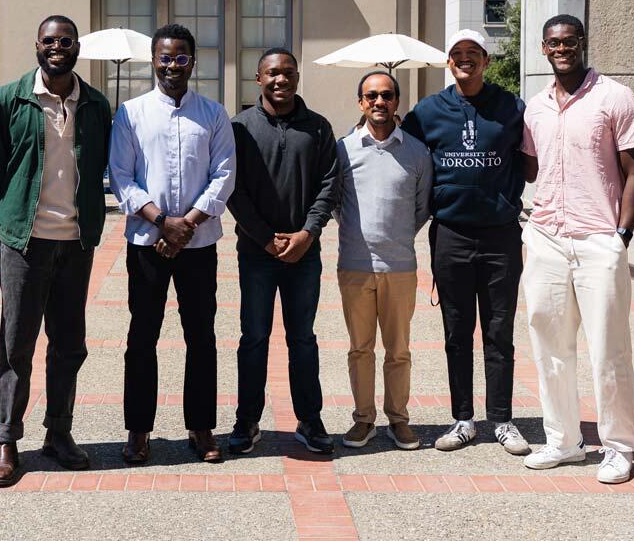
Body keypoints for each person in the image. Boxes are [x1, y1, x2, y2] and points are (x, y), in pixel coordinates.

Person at [0, 15, 113, 487]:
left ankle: (59, 432)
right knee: (17, 344)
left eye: (66, 41)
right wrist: (13, 215)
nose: (58, 47)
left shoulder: (95, 104)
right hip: (24, 244)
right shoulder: (8, 100)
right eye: (50, 41)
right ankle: (6, 440)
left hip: (75, 243)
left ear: (78, 48)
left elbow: (99, 167)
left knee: (69, 344)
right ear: (36, 45)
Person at [520, 14, 634, 485]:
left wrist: (623, 235)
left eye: (569, 41)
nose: (561, 49)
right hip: (547, 236)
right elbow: (530, 170)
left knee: (608, 349)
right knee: (549, 344)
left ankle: (618, 447)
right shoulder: (534, 107)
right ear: (542, 47)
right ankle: (563, 441)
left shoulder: (615, 97)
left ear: (582, 43)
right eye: (553, 42)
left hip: (599, 239)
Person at [109, 24, 236, 464]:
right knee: (141, 336)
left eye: (181, 57)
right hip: (147, 242)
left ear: (192, 62)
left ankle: (200, 427)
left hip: (198, 246)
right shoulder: (130, 113)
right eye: (165, 57)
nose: (172, 65)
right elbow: (120, 177)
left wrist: (188, 225)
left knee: (201, 336)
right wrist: (164, 222)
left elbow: (224, 175)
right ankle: (138, 430)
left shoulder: (214, 114)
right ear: (153, 60)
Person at [401, 28, 530, 456]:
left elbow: (531, 160)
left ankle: (502, 419)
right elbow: (401, 151)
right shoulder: (427, 111)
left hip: (500, 235)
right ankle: (462, 419)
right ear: (447, 62)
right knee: (457, 332)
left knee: (499, 331)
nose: (465, 59)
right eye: (457, 53)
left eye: (473, 53)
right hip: (451, 234)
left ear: (486, 61)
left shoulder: (511, 106)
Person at [227, 48, 340, 456]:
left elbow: (330, 185)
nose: (281, 80)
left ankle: (309, 420)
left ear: (297, 77)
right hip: (257, 252)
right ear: (258, 78)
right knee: (254, 337)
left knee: (303, 340)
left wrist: (307, 234)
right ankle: (247, 419)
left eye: (288, 73)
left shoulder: (319, 128)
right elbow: (231, 189)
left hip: (304, 253)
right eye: (273, 73)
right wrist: (263, 238)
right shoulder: (239, 127)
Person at [334, 71, 432, 450]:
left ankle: (399, 419)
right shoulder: (343, 149)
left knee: (399, 350)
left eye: (387, 95)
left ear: (397, 102)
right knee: (360, 348)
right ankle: (363, 419)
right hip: (355, 265)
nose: (379, 102)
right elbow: (338, 204)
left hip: (400, 268)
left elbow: (422, 208)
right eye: (371, 96)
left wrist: (396, 237)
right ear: (360, 102)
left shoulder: (416, 152)